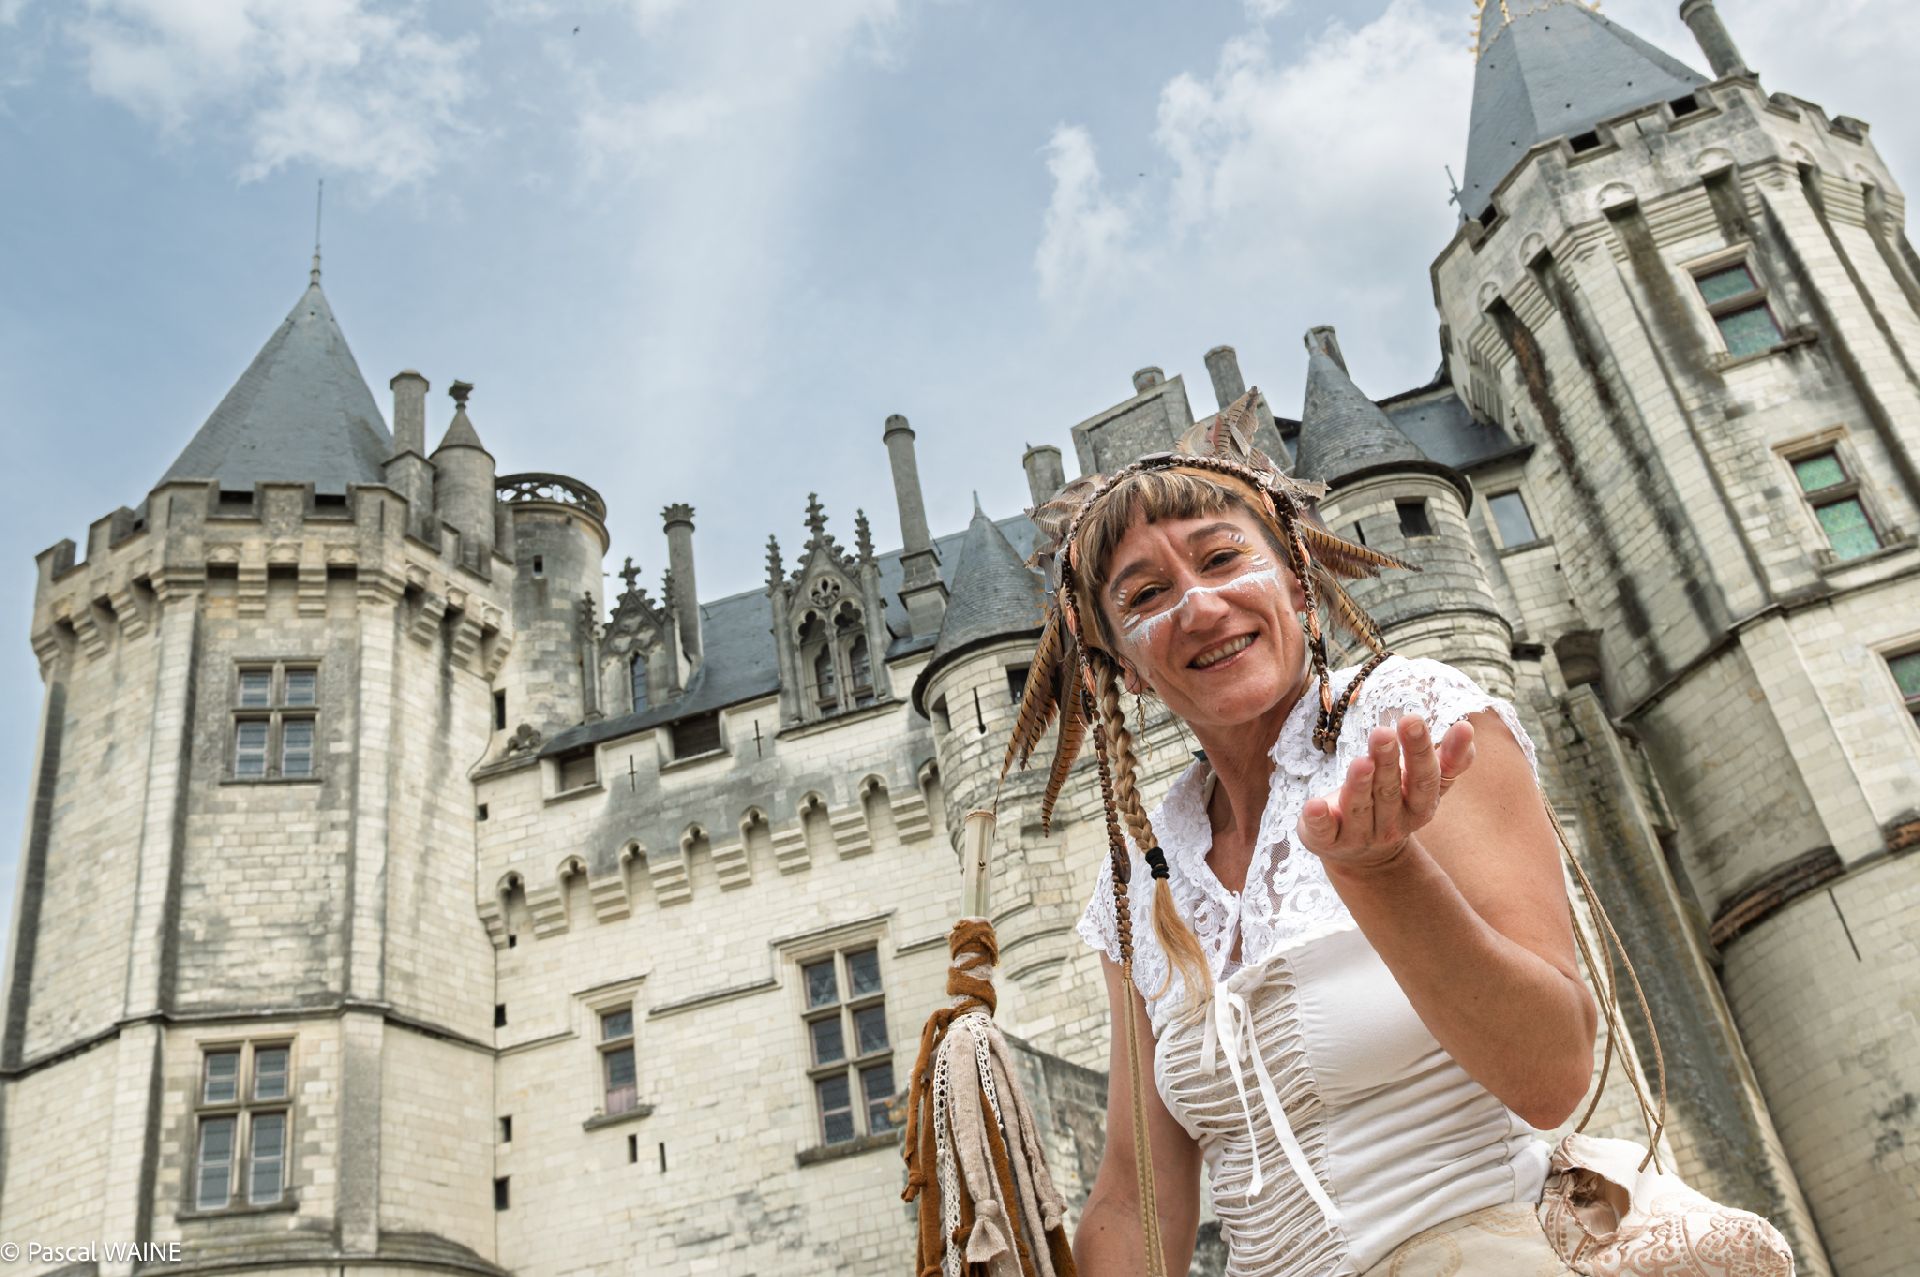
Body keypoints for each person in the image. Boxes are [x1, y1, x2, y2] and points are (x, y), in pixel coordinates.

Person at [1045, 458, 1598, 1276]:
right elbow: (1136, 1195)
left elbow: (1554, 1074)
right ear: (1125, 663)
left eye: (1222, 557)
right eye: (1147, 595)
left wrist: (1385, 874)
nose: (1199, 606)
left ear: (1297, 581)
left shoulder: (1411, 717)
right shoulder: (1139, 876)